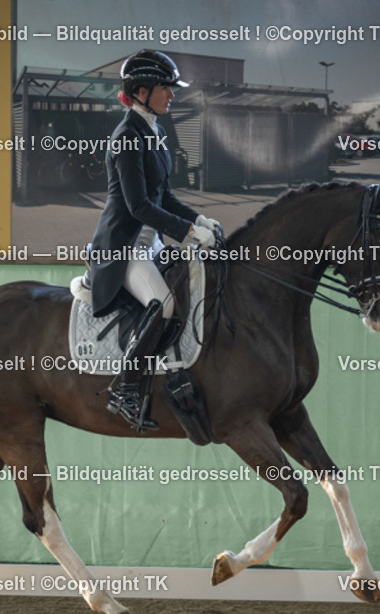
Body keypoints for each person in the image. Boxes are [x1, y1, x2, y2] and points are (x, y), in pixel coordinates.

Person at [88, 50, 220, 432]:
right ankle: (125, 391)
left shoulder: (154, 130)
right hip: (124, 247)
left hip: (151, 245)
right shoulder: (127, 137)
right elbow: (140, 206)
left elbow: (164, 196)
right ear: (141, 91)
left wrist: (197, 218)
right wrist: (191, 233)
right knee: (162, 305)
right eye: (166, 88)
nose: (172, 95)